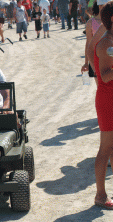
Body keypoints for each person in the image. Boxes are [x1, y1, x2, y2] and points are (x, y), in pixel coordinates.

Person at [92, 1, 113, 210]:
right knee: (105, 149)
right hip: (108, 100)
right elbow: (106, 76)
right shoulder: (107, 43)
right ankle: (100, 195)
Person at [81, 1, 101, 85]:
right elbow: (88, 44)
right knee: (100, 87)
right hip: (96, 59)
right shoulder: (91, 23)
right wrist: (86, 63)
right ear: (100, 6)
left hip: (110, 58)